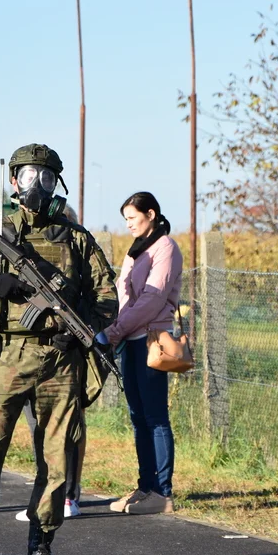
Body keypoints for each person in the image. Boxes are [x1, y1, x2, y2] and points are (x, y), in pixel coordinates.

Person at [0, 144, 117, 555]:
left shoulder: (77, 240)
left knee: (57, 458)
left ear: (55, 183)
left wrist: (72, 332)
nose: (34, 184)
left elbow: (107, 299)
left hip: (61, 362)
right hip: (7, 357)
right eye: (27, 175)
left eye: (43, 176)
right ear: (13, 181)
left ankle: (40, 547)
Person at [101, 192, 182, 516]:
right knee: (137, 418)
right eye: (125, 220)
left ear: (151, 214)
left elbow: (150, 299)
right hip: (130, 340)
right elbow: (123, 291)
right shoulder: (137, 250)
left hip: (151, 340)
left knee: (155, 418)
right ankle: (145, 486)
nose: (128, 224)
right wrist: (120, 329)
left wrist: (113, 332)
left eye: (132, 218)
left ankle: (163, 493)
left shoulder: (166, 248)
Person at [16, 204, 89, 523]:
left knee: (67, 428)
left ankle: (68, 495)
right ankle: (47, 494)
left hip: (67, 354)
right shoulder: (32, 255)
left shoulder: (82, 258)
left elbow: (97, 301)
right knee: (38, 428)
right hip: (32, 355)